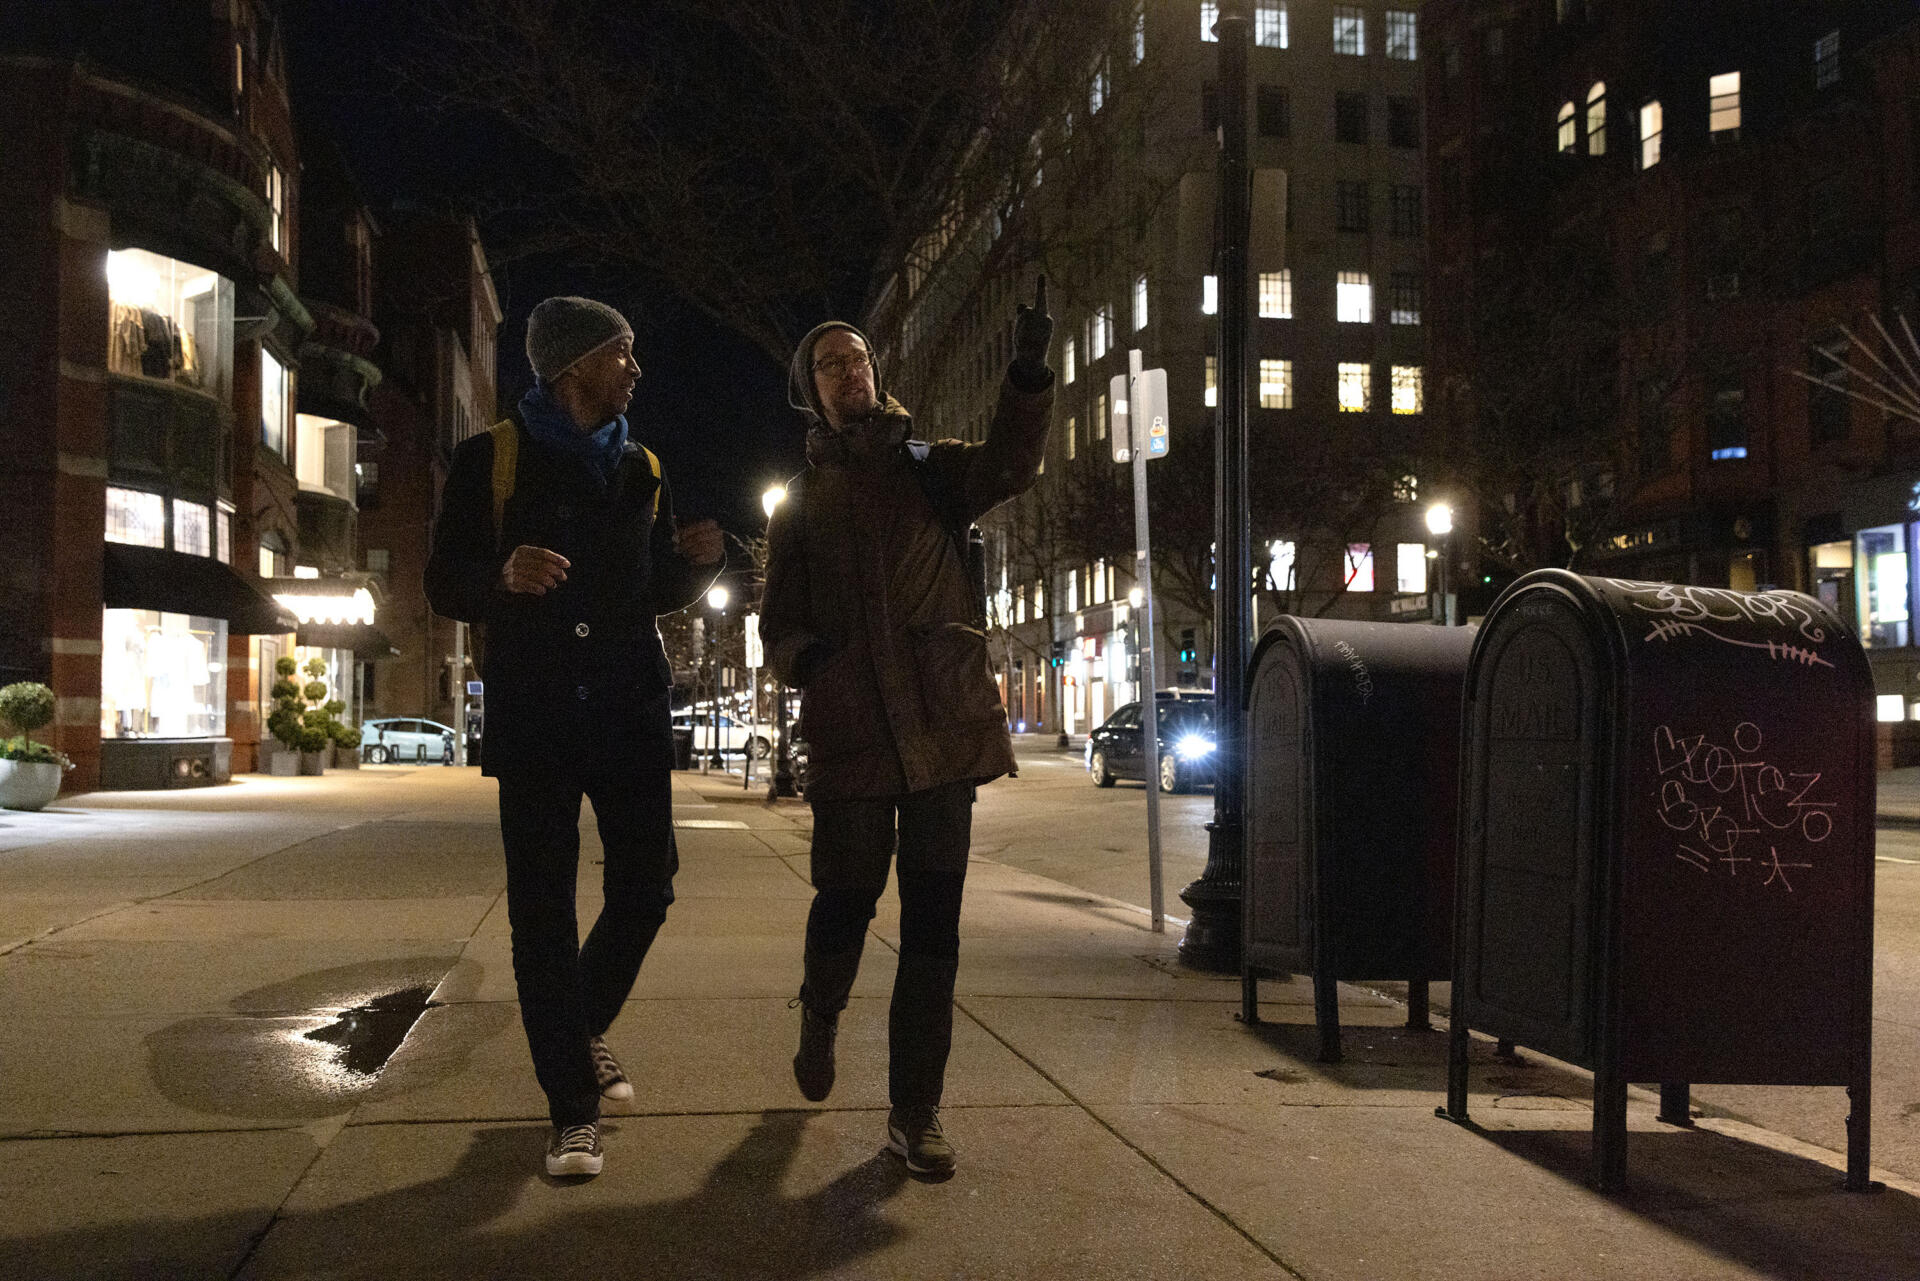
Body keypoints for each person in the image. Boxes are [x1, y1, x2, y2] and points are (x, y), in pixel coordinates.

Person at [761, 278, 1054, 1177]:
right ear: (811, 390)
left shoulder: (932, 467)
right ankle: (820, 1008)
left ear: (876, 372)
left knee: (933, 930)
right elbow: (777, 626)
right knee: (845, 900)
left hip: (943, 730)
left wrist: (1027, 378)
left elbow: (1010, 466)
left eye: (857, 357)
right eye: (829, 364)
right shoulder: (799, 504)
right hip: (852, 736)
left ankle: (915, 1110)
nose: (848, 370)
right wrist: (812, 663)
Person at [425, 295, 723, 1179]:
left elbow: (648, 588)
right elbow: (443, 579)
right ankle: (571, 1109)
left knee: (647, 886)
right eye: (621, 352)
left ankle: (578, 1027)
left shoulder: (643, 467)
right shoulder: (491, 459)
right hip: (539, 712)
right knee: (542, 911)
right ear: (573, 365)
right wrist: (500, 573)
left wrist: (695, 566)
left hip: (630, 710)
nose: (635, 368)